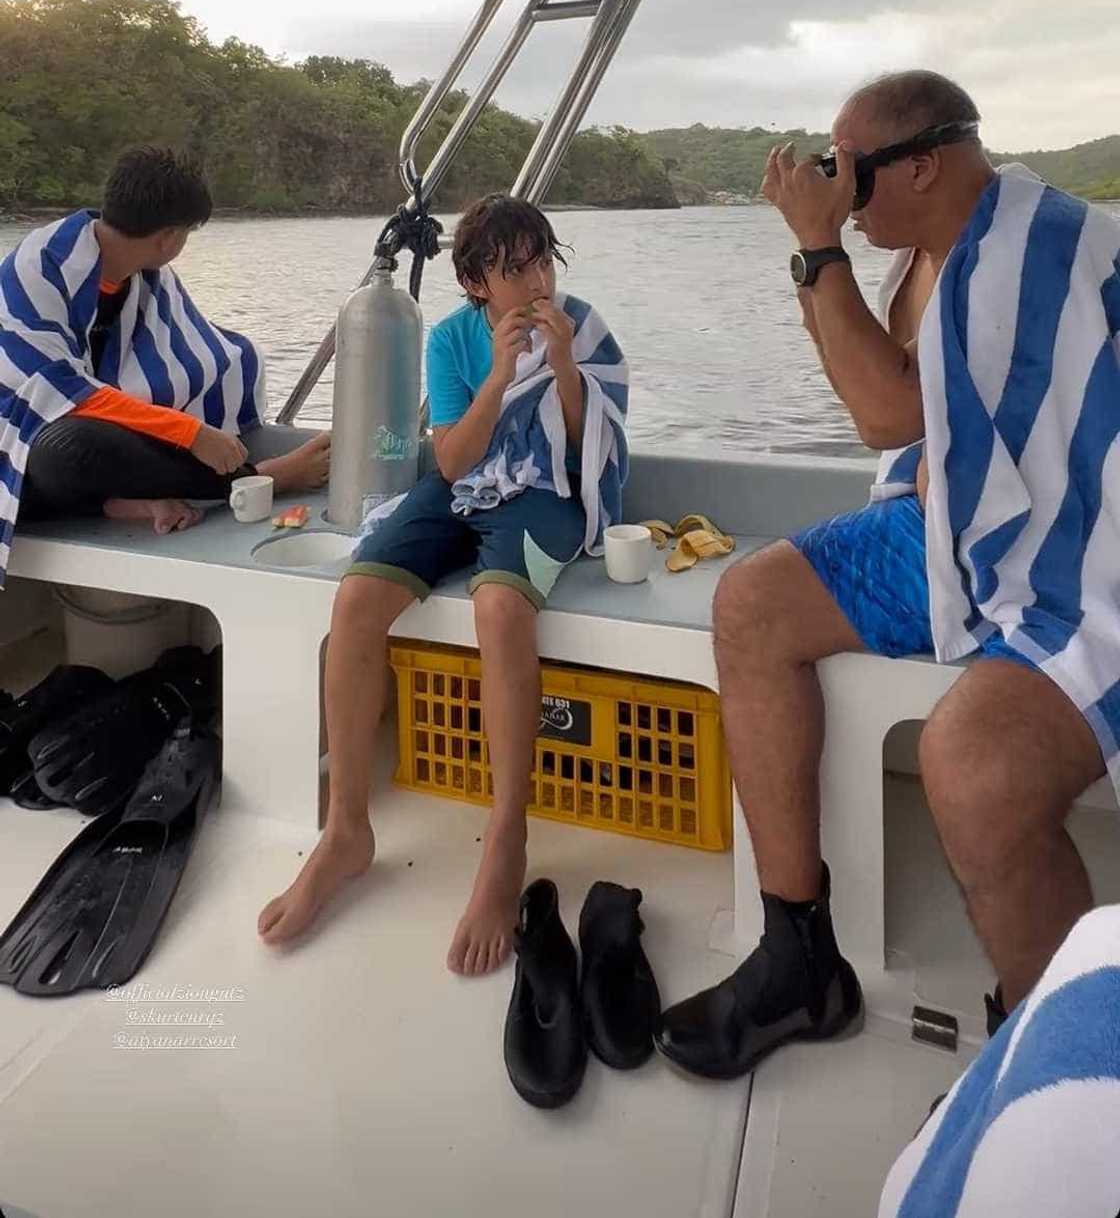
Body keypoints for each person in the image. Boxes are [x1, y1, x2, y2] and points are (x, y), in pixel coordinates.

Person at [656, 70, 1120, 1082]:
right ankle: (798, 952)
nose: (836, 188)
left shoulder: (1016, 255)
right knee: (750, 602)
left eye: (849, 172)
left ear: (922, 162)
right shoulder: (923, 250)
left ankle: (1049, 1069)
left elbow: (881, 414)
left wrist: (820, 246)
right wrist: (816, 255)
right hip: (958, 519)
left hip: (1080, 541)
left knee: (978, 769)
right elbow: (867, 383)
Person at [258, 194, 628, 977]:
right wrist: (500, 372)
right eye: (512, 269)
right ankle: (346, 830)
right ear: (474, 283)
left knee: (499, 608)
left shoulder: (583, 327)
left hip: (542, 495)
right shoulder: (456, 340)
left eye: (541, 261)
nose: (535, 283)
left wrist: (560, 365)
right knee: (356, 600)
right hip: (465, 486)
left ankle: (506, 837)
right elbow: (454, 461)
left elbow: (579, 453)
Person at [1, 146, 329, 563]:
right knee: (71, 447)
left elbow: (197, 352)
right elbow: (55, 392)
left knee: (233, 356)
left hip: (76, 446)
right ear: (170, 238)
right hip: (18, 439)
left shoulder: (141, 275)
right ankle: (261, 479)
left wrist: (193, 423)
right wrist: (191, 433)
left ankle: (125, 501)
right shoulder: (41, 266)